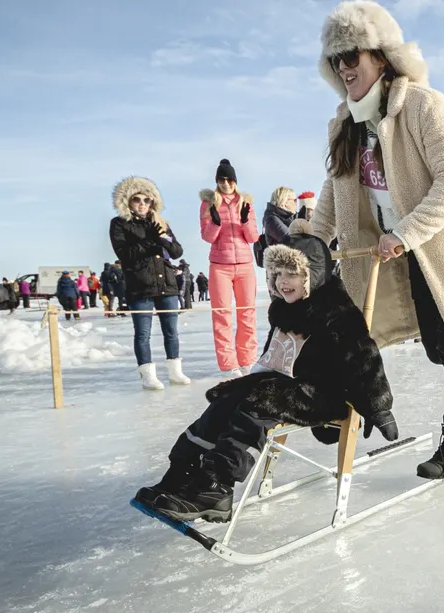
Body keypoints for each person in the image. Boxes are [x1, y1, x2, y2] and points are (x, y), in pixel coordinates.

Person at [309, 1, 444, 479]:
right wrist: (310, 239)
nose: (344, 68)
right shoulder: (346, 125)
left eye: (353, 56)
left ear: (380, 57)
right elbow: (333, 190)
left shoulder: (425, 105)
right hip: (403, 256)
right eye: (336, 60)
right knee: (438, 345)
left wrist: (405, 232)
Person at [133, 226, 398, 522]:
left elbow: (365, 359)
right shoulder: (284, 308)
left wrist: (380, 408)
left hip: (323, 392)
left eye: (291, 274)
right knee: (225, 400)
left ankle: (216, 487)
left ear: (312, 274)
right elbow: (275, 357)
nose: (283, 283)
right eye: (277, 274)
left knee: (259, 402)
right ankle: (182, 472)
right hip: (287, 384)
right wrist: (239, 386)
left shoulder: (337, 312)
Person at [110, 176, 190, 390]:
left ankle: (175, 371)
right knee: (143, 333)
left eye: (147, 199)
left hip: (166, 284)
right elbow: (124, 253)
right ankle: (148, 374)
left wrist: (161, 238)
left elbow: (176, 251)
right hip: (140, 286)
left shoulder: (161, 223)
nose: (143, 204)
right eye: (138, 199)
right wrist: (150, 241)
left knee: (171, 331)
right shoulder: (119, 224)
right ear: (128, 201)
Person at [200, 158, 260, 377]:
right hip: (220, 266)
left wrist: (245, 219)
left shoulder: (245, 202)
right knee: (222, 315)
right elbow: (207, 237)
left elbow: (253, 237)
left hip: (245, 266)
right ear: (217, 181)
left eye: (229, 179)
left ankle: (247, 360)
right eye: (221, 180)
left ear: (235, 181)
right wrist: (215, 222)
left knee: (247, 314)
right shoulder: (209, 203)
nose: (226, 184)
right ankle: (228, 364)